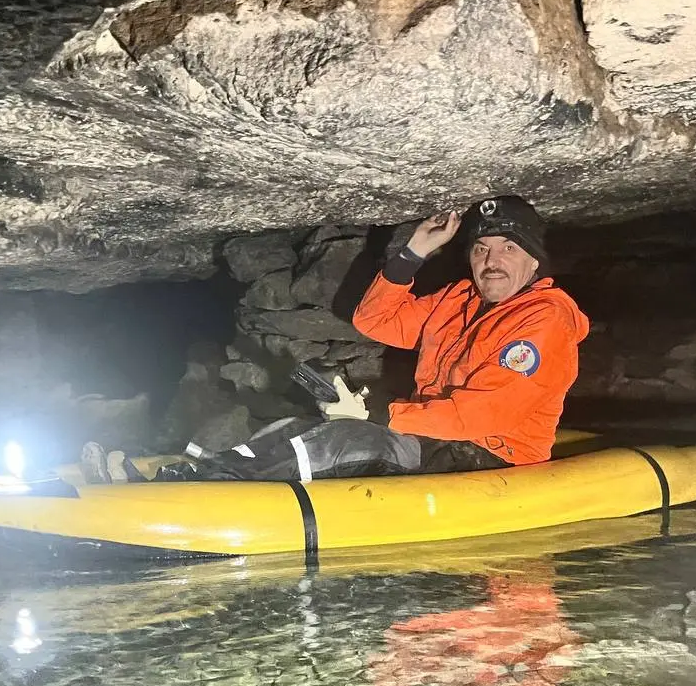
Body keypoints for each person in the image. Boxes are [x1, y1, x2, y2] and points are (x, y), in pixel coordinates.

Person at [82, 194, 589, 483]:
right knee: (291, 424)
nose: (490, 260)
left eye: (507, 248)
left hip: (488, 453)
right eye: (480, 248)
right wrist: (411, 253)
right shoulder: (459, 298)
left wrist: (377, 416)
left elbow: (485, 417)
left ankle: (199, 492)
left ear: (533, 259)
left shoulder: (544, 320)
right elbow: (376, 321)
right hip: (433, 434)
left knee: (349, 438)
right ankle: (186, 476)